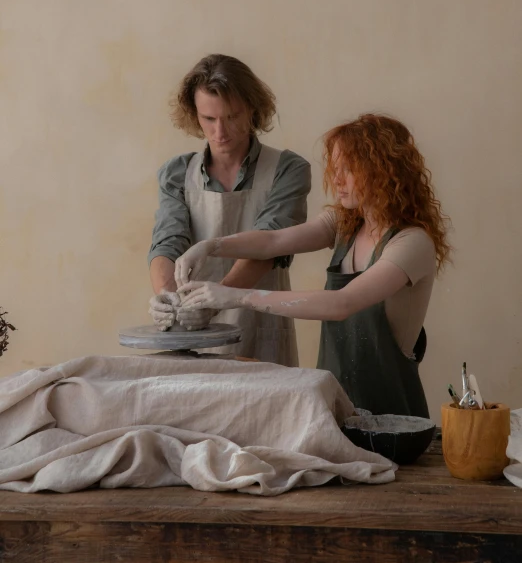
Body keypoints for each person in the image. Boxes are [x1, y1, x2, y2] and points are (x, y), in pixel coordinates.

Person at [174, 114, 451, 418]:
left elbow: (341, 303)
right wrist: (210, 247)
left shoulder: (412, 243)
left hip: (394, 421)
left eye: (349, 169)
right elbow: (273, 242)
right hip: (336, 413)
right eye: (336, 168)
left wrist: (236, 297)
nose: (337, 179)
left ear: (383, 171)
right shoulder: (345, 225)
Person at [147, 53, 311, 366]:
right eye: (209, 119)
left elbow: (269, 244)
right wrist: (167, 297)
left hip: (261, 329)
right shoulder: (177, 174)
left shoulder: (287, 169)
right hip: (192, 333)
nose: (220, 132)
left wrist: (214, 301)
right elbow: (167, 241)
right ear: (195, 114)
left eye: (232, 117)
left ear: (252, 109)